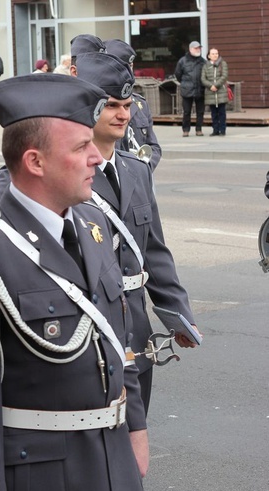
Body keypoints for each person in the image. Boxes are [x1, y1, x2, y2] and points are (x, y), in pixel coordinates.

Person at [0, 73, 148, 491]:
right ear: (35, 162)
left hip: (113, 460)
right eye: (81, 147)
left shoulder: (93, 223)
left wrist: (135, 426)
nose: (96, 159)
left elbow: (115, 337)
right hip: (44, 478)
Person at [75, 51, 199, 413]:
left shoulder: (136, 169)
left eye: (127, 105)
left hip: (137, 332)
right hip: (89, 332)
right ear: (88, 106)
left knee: (136, 432)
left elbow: (154, 252)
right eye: (112, 105)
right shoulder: (65, 173)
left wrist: (178, 314)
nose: (124, 115)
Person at [105, 38, 163, 169]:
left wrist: (144, 169)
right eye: (122, 67)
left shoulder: (140, 103)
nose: (128, 72)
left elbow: (153, 146)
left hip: (140, 176)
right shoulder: (98, 103)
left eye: (130, 66)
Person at [174, 41, 206, 137]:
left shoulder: (203, 61)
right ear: (190, 49)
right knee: (187, 111)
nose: (198, 50)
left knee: (200, 112)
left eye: (199, 48)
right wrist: (184, 83)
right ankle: (186, 130)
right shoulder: (182, 61)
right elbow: (178, 74)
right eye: (196, 48)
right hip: (187, 90)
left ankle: (199, 129)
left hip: (200, 89)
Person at [201, 47, 229, 137]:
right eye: (213, 54)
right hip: (210, 93)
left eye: (216, 53)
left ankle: (222, 130)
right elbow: (203, 78)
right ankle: (215, 130)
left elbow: (224, 76)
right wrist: (210, 86)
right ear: (209, 56)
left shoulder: (223, 64)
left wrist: (216, 85)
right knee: (213, 113)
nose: (215, 55)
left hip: (221, 91)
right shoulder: (205, 65)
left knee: (222, 113)